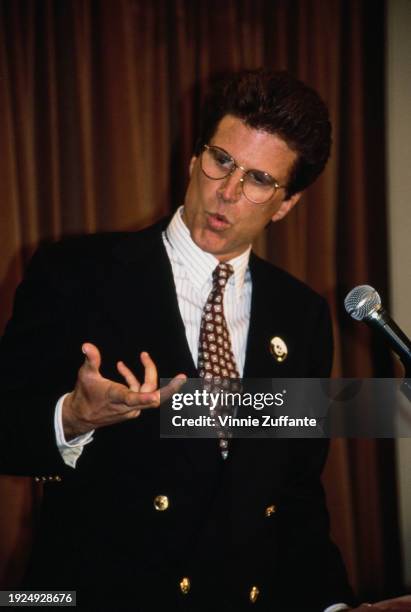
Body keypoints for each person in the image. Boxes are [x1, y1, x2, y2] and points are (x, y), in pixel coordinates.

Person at [0, 69, 362, 611]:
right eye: (222, 161)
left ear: (286, 204)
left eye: (260, 180)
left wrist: (336, 606)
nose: (229, 192)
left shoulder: (303, 316)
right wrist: (72, 417)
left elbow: (294, 494)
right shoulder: (75, 273)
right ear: (195, 159)